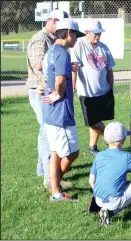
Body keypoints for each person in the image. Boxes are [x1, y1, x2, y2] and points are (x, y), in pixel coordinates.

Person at [41, 19, 85, 201]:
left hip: (49, 112)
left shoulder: (51, 51)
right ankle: (56, 187)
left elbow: (50, 75)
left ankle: (55, 190)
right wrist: (59, 94)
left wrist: (69, 69)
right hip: (61, 114)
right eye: (75, 35)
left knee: (55, 152)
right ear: (68, 32)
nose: (76, 39)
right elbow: (59, 81)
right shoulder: (62, 53)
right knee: (72, 152)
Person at [26, 9, 69, 189]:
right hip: (39, 90)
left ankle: (42, 170)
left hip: (45, 90)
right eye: (62, 24)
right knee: (47, 131)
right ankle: (48, 178)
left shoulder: (51, 39)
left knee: (45, 130)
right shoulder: (40, 39)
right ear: (53, 21)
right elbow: (38, 65)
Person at [89, 122, 131, 226]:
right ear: (123, 140)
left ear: (106, 140)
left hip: (98, 199)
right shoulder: (126, 156)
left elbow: (91, 181)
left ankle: (108, 212)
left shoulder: (99, 155)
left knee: (117, 191)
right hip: (115, 200)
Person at [71, 19, 116, 155]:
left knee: (97, 120)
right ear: (87, 33)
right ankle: (113, 139)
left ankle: (92, 147)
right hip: (86, 93)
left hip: (103, 91)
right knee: (93, 121)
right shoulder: (79, 45)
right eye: (95, 33)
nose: (97, 36)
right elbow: (74, 68)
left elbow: (109, 70)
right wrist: (73, 87)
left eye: (99, 33)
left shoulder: (104, 47)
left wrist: (111, 88)